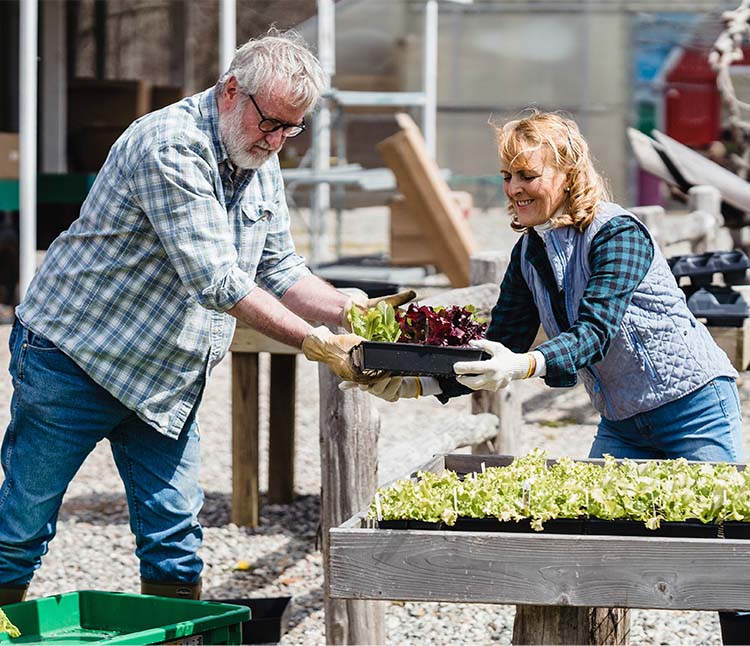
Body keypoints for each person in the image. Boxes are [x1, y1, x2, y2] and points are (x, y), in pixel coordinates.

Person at [0, 29, 412, 604]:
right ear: (230, 91)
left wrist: (351, 310)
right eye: (270, 123)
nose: (276, 141)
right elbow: (218, 280)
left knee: (174, 538)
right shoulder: (169, 146)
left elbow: (282, 269)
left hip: (164, 376)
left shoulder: (255, 154)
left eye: (291, 129)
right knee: (22, 528)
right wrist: (317, 343)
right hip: (74, 357)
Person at [350, 110, 746, 638]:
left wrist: (523, 366)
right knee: (588, 561)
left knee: (730, 565)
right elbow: (502, 341)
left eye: (527, 176)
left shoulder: (619, 235)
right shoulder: (530, 251)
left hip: (691, 405)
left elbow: (594, 331)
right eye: (507, 176)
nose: (513, 188)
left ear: (567, 173)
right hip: (625, 422)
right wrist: (417, 381)